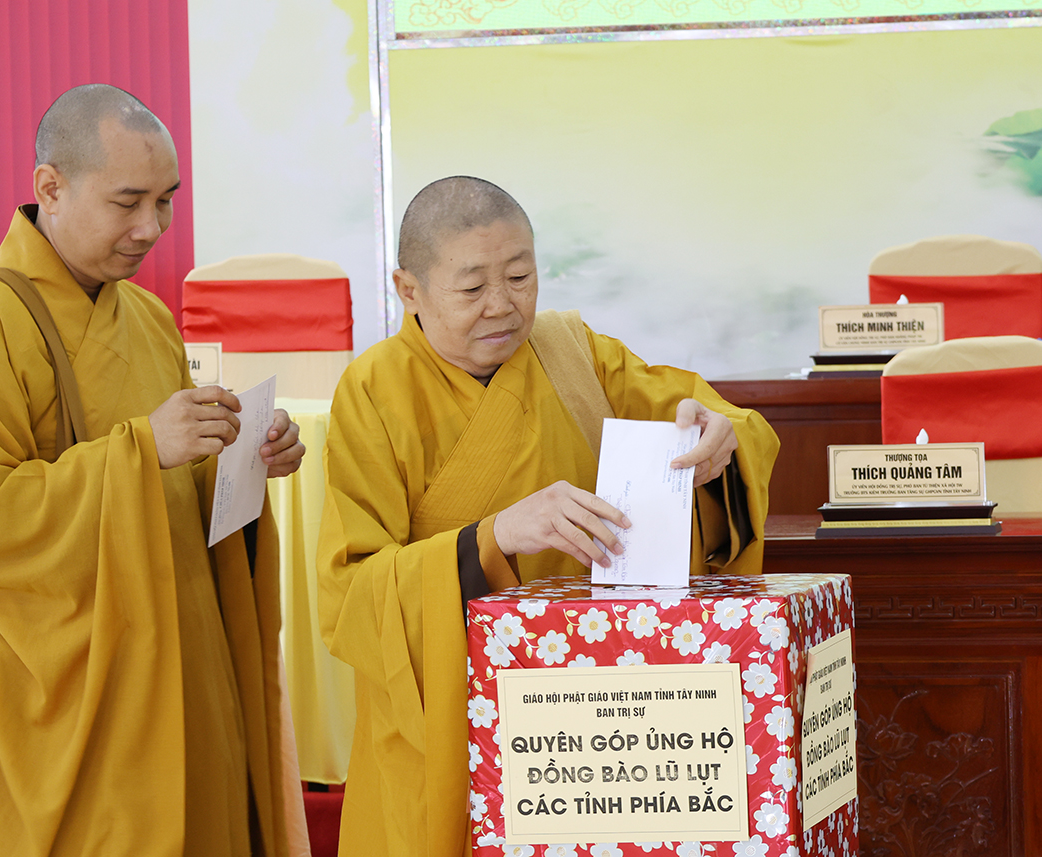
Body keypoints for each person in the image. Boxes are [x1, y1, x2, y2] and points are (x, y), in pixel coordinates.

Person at [317, 176, 779, 855]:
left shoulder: (573, 352)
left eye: (520, 276)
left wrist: (717, 444)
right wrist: (495, 536)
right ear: (408, 289)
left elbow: (718, 423)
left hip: (606, 717)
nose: (502, 305)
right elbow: (352, 592)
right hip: (453, 721)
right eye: (471, 288)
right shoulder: (373, 392)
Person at [0, 84, 304, 857]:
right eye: (127, 202)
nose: (150, 228)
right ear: (50, 187)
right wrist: (141, 448)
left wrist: (240, 459)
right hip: (64, 680)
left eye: (165, 201)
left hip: (175, 655)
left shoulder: (149, 318)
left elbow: (173, 490)